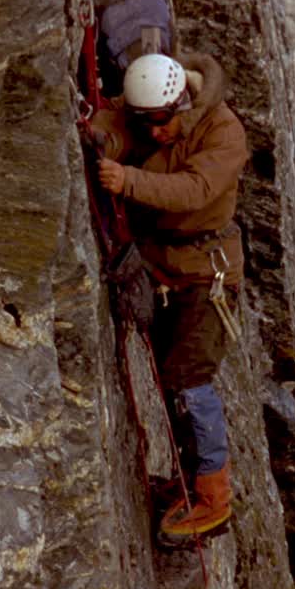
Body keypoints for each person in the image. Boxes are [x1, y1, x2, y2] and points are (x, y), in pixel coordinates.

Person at [93, 52, 247, 542]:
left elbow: (194, 190)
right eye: (148, 125)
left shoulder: (224, 132)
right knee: (168, 378)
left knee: (189, 379)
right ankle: (189, 481)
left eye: (162, 124)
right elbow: (111, 122)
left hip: (208, 274)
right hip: (164, 262)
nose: (156, 134)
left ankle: (213, 499)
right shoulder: (148, 107)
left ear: (181, 104)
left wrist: (129, 179)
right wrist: (105, 139)